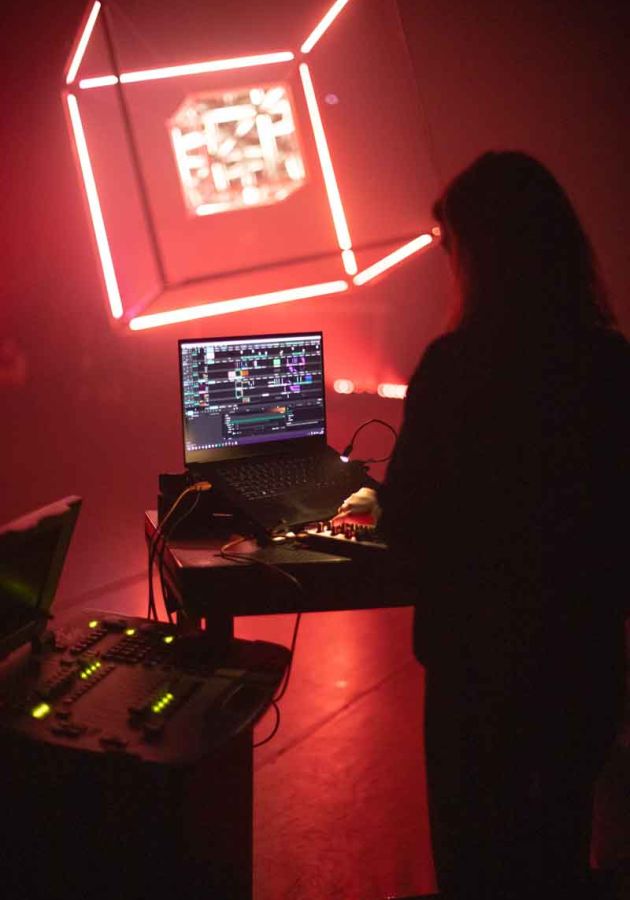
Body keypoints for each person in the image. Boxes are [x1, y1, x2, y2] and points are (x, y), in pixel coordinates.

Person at [338, 151, 629, 899]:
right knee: (557, 853)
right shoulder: (611, 365)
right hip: (583, 666)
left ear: (479, 254)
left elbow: (409, 522)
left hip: (476, 670)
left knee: (474, 863)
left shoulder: (454, 366)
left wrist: (359, 504)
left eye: (452, 248)